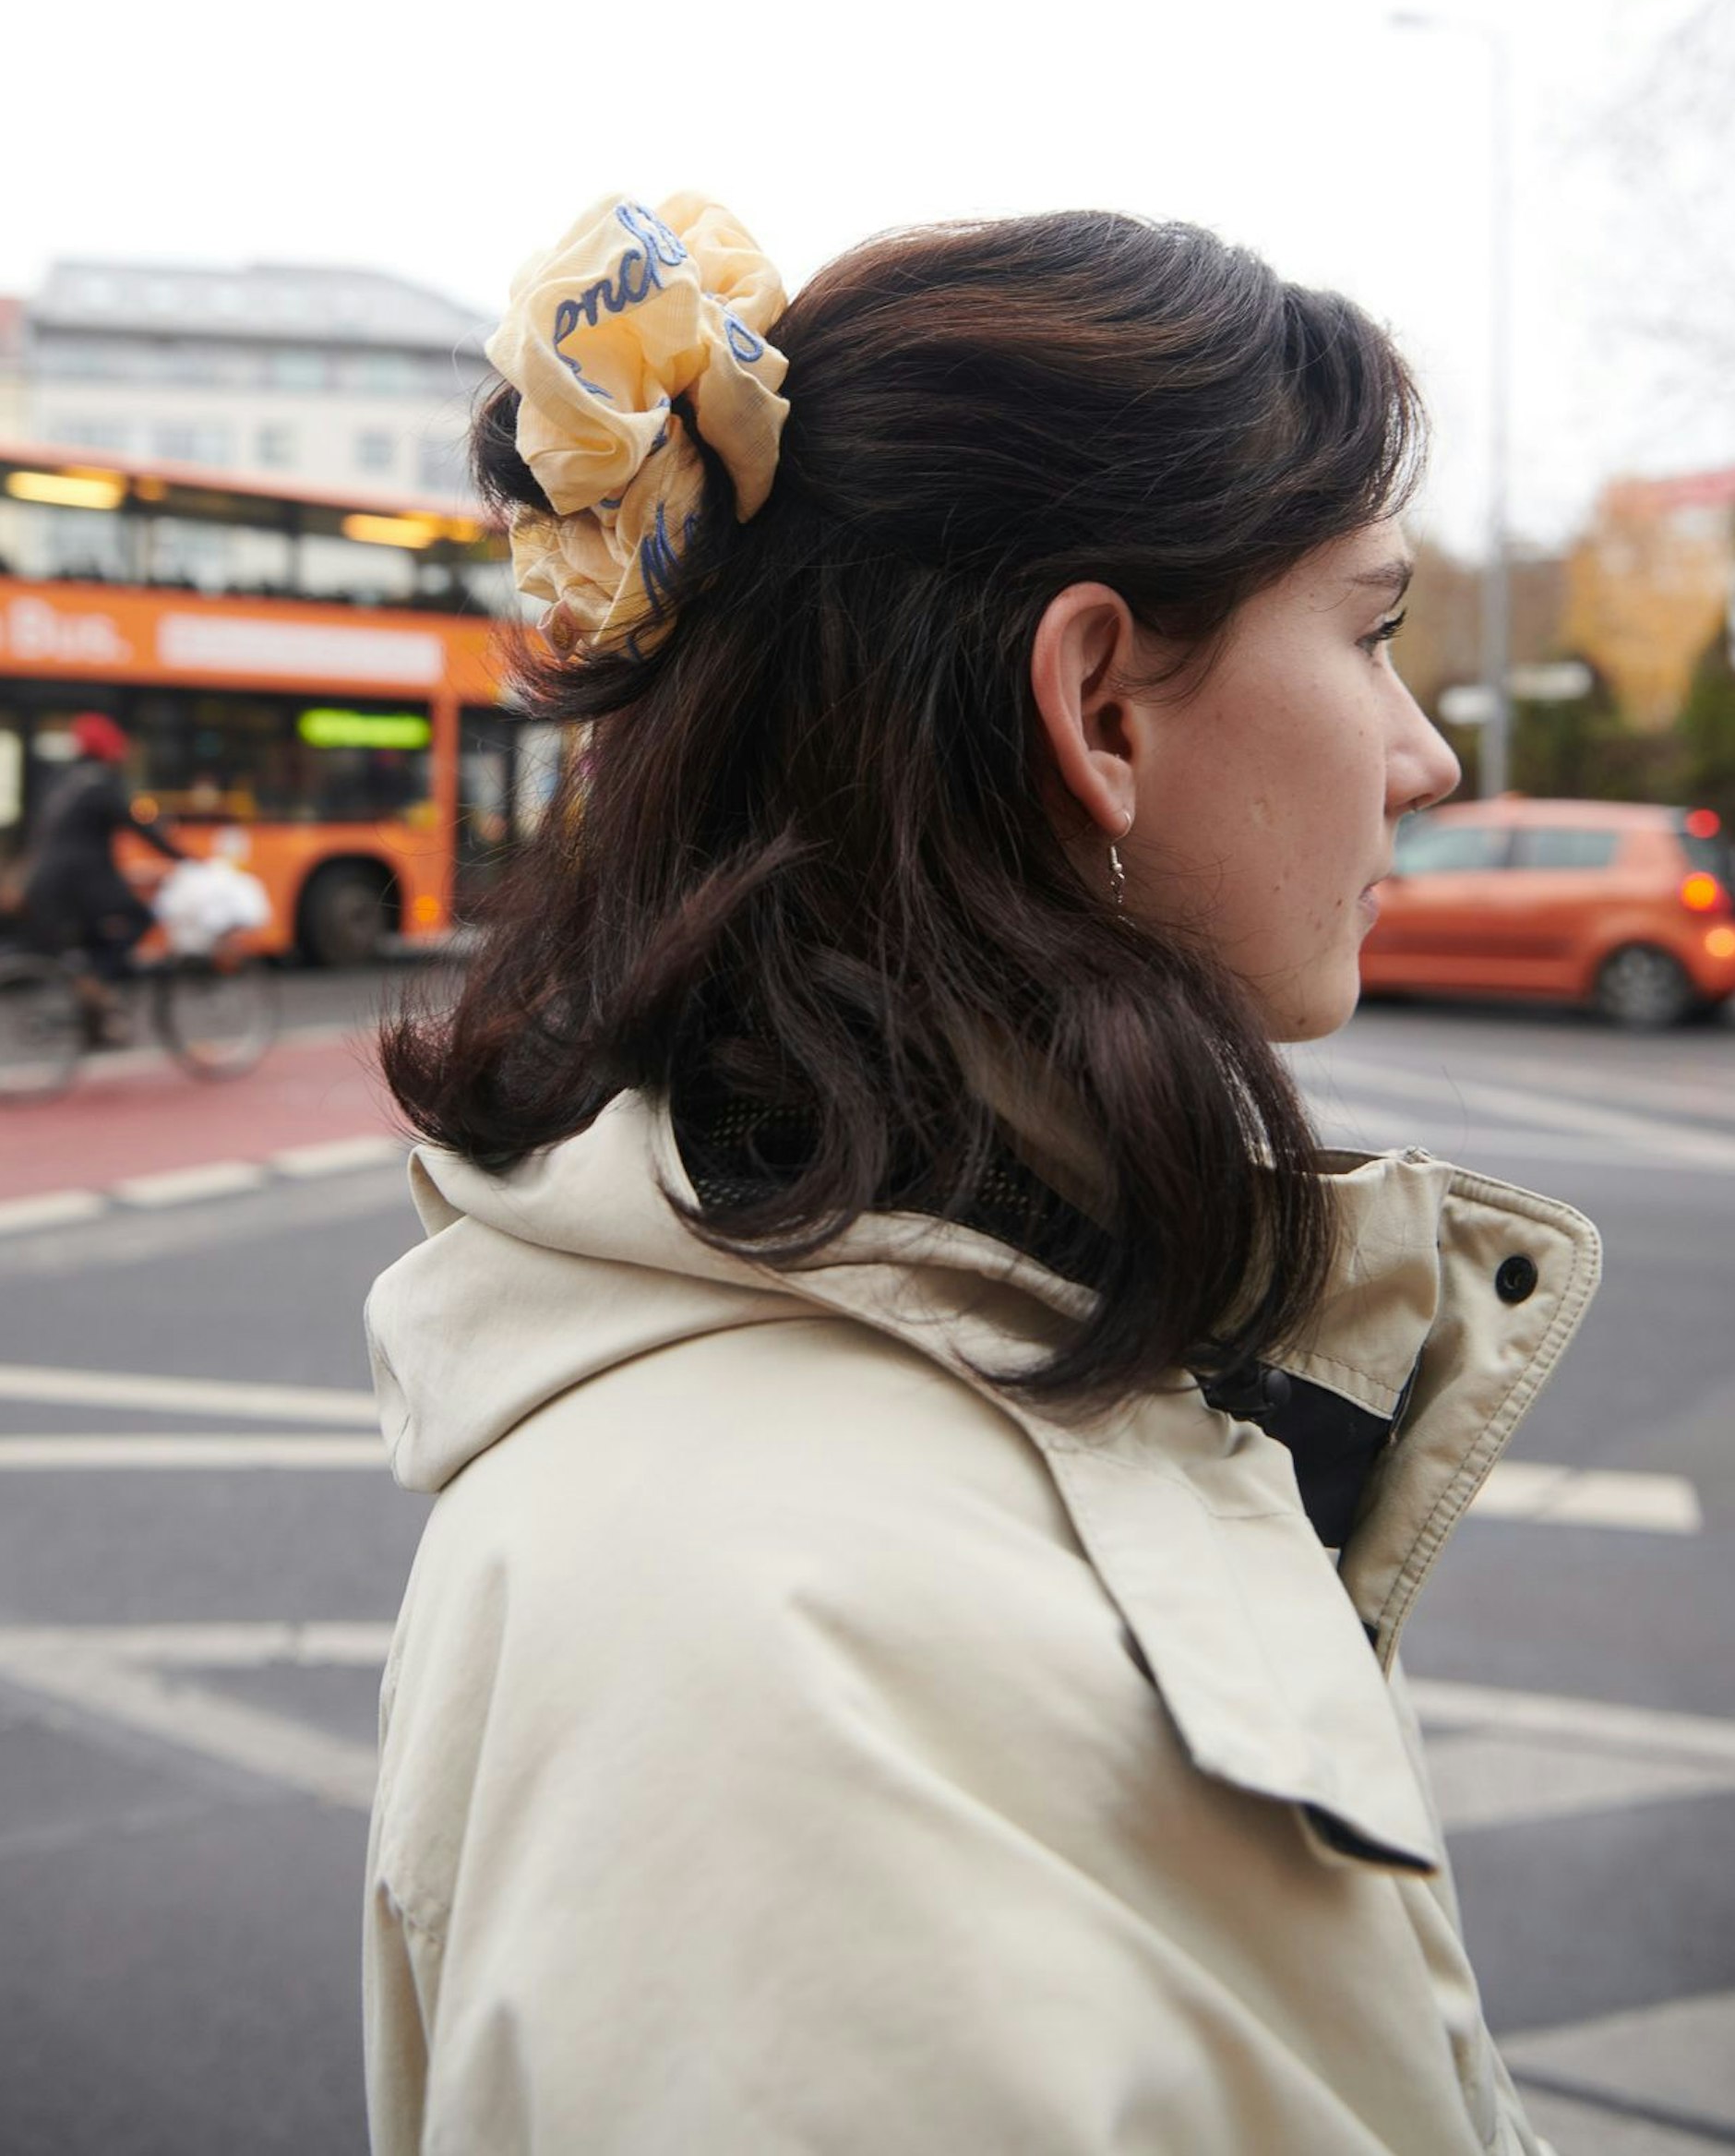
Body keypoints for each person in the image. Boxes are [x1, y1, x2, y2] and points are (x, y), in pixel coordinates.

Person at [363, 196, 1601, 2155]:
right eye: (1369, 629)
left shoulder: (945, 1376)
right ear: (1098, 702)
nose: (1418, 753)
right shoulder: (790, 1634)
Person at [22, 713, 185, 1037]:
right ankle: (96, 989)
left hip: (46, 881)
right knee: (140, 916)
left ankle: (97, 1024)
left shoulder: (61, 779)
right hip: (79, 882)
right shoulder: (102, 783)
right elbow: (139, 827)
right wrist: (184, 858)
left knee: (97, 939)